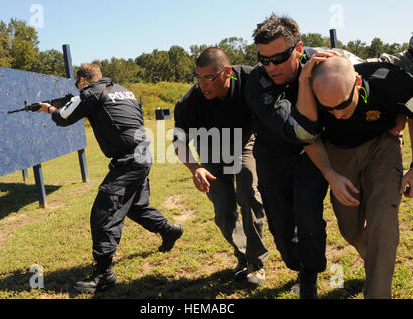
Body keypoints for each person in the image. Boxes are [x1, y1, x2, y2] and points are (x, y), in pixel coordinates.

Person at [37, 62, 184, 293]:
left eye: (79, 84)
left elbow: (64, 118)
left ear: (83, 81)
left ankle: (104, 274)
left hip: (128, 159)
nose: (79, 88)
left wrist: (48, 109)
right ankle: (169, 230)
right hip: (143, 153)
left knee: (103, 212)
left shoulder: (91, 92)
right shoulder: (124, 90)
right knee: (134, 206)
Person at [295, 55, 412, 299]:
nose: (337, 115)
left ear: (358, 83)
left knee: (382, 220)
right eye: (329, 108)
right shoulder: (311, 93)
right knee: (350, 229)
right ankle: (375, 256)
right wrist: (330, 175)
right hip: (338, 153)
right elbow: (307, 138)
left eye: (343, 104)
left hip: (383, 145)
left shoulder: (390, 79)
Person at [244, 14, 337, 298]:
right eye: (264, 59)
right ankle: (295, 262)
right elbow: (294, 129)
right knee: (281, 227)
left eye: (279, 58)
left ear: (299, 48)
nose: (270, 67)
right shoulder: (256, 82)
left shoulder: (323, 62)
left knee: (308, 215)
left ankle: (310, 274)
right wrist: (306, 81)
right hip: (274, 152)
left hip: (314, 153)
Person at [173, 48, 269, 286]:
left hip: (245, 141)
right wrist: (195, 167)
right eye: (199, 77)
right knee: (223, 210)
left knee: (248, 193)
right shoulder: (190, 101)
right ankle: (244, 256)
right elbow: (178, 140)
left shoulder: (250, 80)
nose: (203, 84)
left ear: (227, 72)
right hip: (211, 150)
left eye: (209, 77)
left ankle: (257, 263)